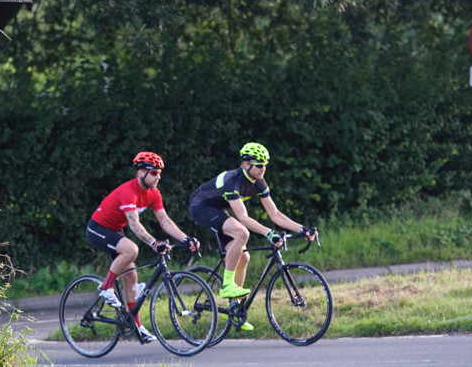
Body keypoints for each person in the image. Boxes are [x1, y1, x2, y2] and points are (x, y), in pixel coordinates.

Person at [189, 142, 317, 330]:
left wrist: (301, 229)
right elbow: (243, 217)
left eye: (265, 164)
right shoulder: (232, 180)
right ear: (246, 164)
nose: (263, 168)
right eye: (259, 165)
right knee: (242, 232)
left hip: (219, 209)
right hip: (201, 207)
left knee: (244, 255)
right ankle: (227, 286)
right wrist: (269, 233)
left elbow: (275, 214)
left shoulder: (259, 182)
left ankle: (234, 309)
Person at [86, 151, 201, 343]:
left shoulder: (153, 193)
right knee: (131, 250)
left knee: (131, 276)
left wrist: (185, 239)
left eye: (159, 173)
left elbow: (164, 221)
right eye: (154, 172)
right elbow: (134, 225)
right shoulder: (129, 191)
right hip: (98, 228)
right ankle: (105, 287)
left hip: (115, 230)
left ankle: (137, 326)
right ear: (141, 172)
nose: (158, 177)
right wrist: (154, 243)